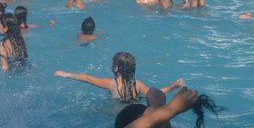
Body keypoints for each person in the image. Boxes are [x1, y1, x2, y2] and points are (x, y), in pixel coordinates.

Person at [54, 51, 182, 103]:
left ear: (115, 67)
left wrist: (67, 74)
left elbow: (87, 78)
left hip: (116, 113)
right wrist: (172, 86)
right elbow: (155, 93)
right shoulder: (138, 84)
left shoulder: (111, 84)